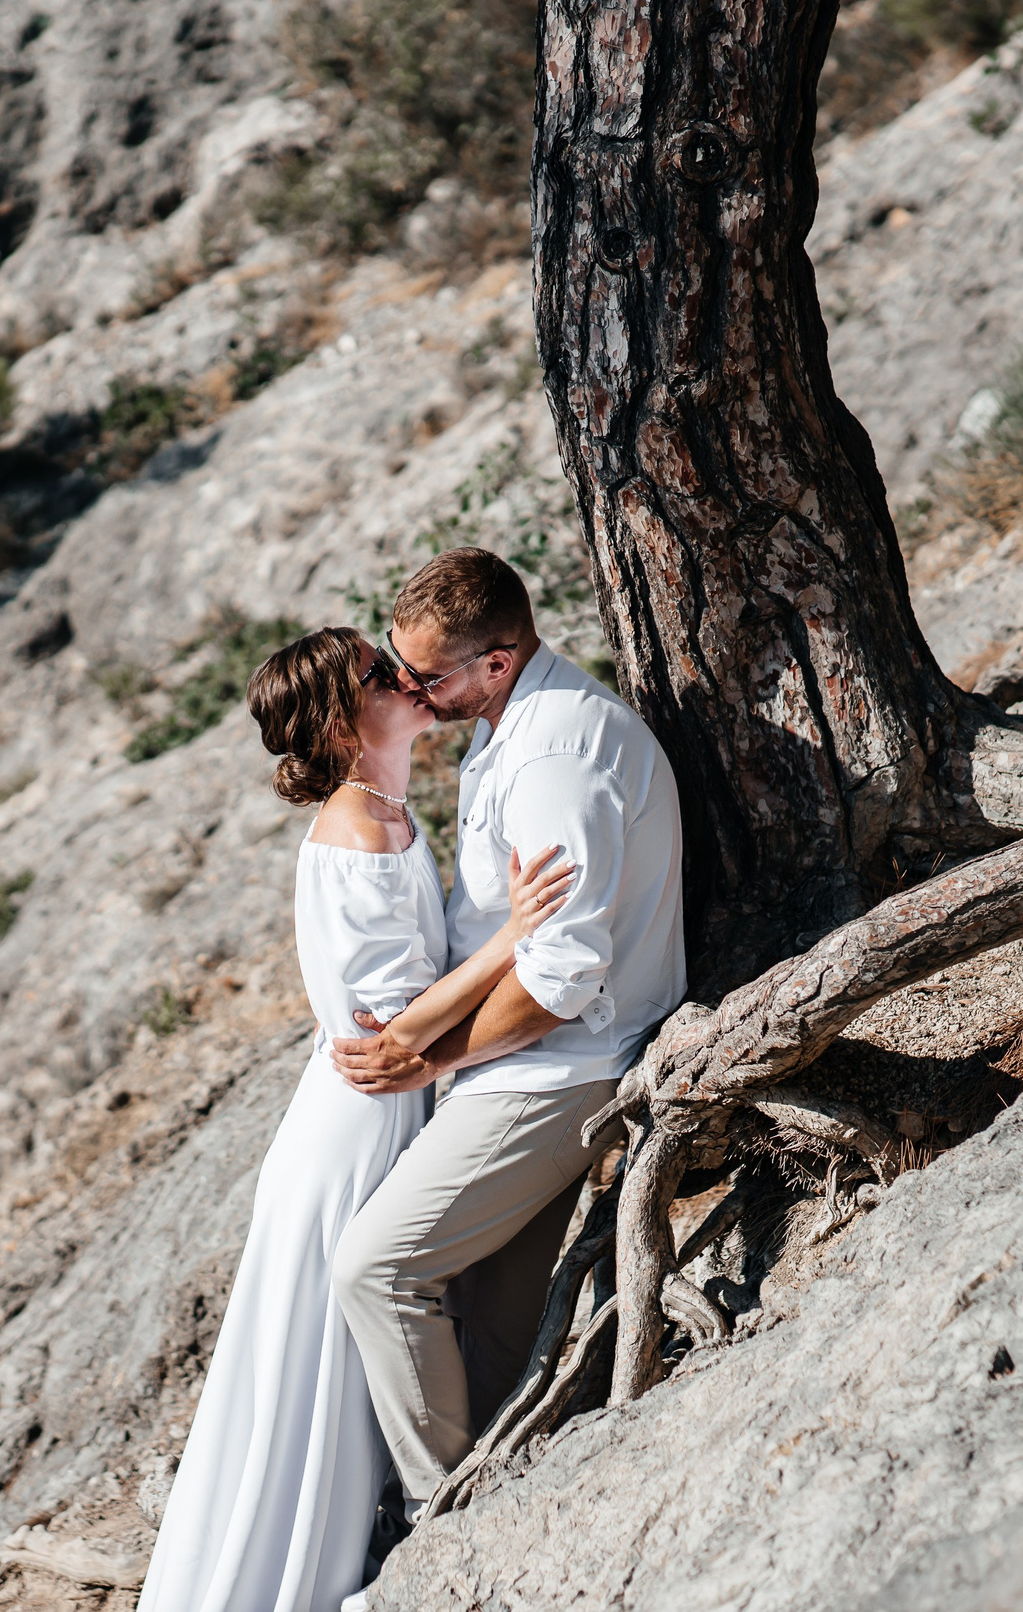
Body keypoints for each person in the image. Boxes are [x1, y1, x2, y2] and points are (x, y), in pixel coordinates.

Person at [138, 626, 575, 1612]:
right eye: (384, 675)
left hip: (382, 1103)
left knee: (342, 1357)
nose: (408, 678)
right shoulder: (355, 828)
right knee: (317, 1370)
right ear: (344, 716)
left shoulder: (386, 808)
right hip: (357, 1121)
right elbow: (387, 1034)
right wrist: (518, 933)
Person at [328, 548, 687, 1557]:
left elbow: (565, 974)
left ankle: (441, 1529)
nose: (409, 691)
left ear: (497, 659)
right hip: (520, 1064)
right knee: (483, 1320)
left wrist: (429, 1062)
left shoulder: (553, 760)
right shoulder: (509, 722)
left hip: (563, 1069)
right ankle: (499, 1500)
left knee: (376, 1269)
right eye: (401, 670)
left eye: (427, 677)